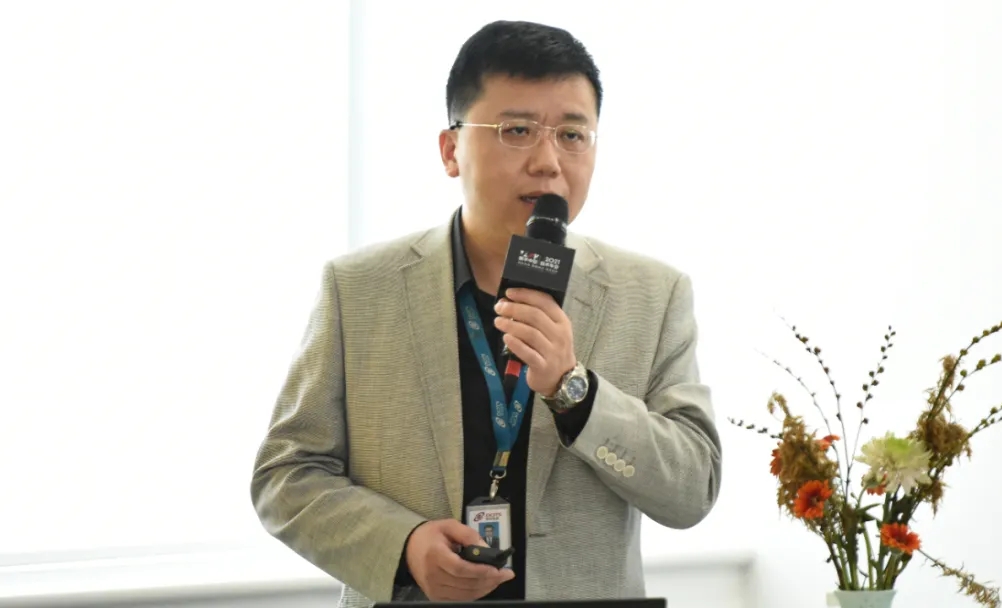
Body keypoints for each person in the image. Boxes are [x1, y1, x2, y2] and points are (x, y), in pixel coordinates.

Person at [250, 19, 722, 607]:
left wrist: (574, 390)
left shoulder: (653, 295)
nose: (548, 161)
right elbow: (286, 475)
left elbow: (693, 489)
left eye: (573, 135)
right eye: (517, 130)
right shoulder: (359, 289)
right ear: (451, 150)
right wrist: (403, 546)